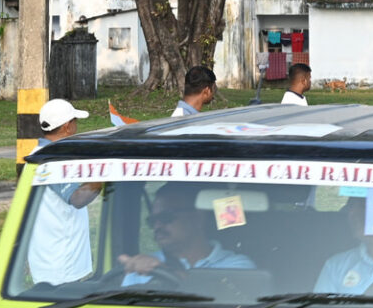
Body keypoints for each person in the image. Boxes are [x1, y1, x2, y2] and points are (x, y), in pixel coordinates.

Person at [27, 99, 103, 285]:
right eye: (75, 122)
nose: (77, 127)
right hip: (61, 264)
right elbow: (77, 198)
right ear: (68, 127)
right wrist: (104, 174)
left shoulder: (40, 153)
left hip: (50, 257)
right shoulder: (53, 160)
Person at [119, 183, 254, 286]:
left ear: (198, 218)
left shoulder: (237, 266)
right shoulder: (141, 265)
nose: (157, 226)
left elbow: (229, 305)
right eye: (152, 220)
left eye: (166, 217)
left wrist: (163, 271)